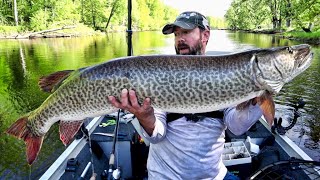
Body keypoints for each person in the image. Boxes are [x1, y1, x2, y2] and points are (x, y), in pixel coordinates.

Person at [108, 11, 263, 180]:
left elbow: (236, 127)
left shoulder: (225, 73)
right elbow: (157, 135)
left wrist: (259, 100)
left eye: (186, 32)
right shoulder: (161, 74)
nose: (180, 39)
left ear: (205, 35)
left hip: (213, 176)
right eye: (176, 34)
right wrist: (145, 117)